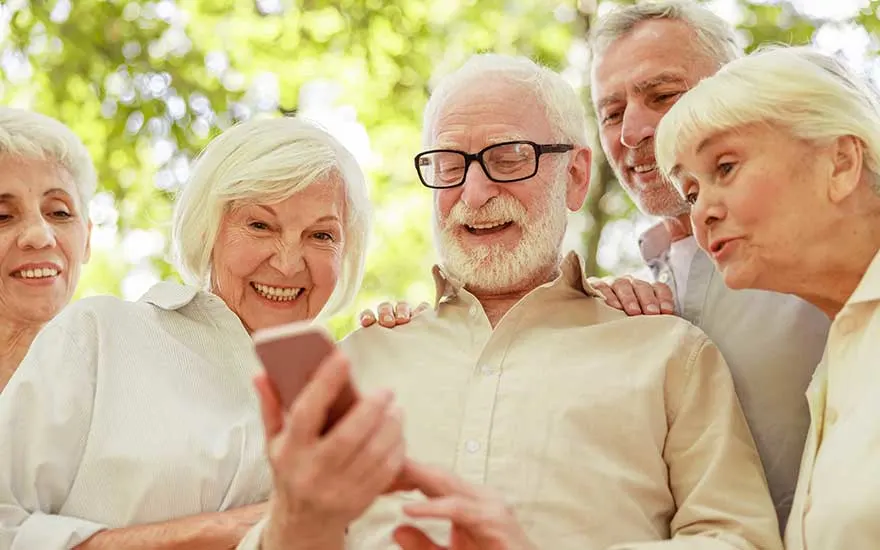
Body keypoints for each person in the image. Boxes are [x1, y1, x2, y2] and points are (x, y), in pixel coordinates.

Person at [239, 54, 782, 550]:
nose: (474, 195)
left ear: (573, 177)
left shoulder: (668, 351)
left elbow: (739, 540)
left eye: (507, 158)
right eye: (450, 166)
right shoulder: (353, 363)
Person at [0, 117, 383, 549]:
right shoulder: (99, 337)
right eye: (260, 225)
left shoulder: (352, 399)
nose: (289, 262)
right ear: (209, 228)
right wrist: (234, 530)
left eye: (321, 235)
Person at [586, 0, 830, 528]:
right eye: (611, 112)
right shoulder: (623, 301)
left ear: (734, 88)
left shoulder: (825, 249)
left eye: (662, 95)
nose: (632, 131)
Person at [654, 45, 880, 550]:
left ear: (840, 162)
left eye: (726, 167)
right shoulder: (835, 364)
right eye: (690, 191)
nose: (701, 213)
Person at [0, 107, 94, 391]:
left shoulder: (118, 392)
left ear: (87, 239)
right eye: (3, 216)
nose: (40, 236)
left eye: (59, 212)